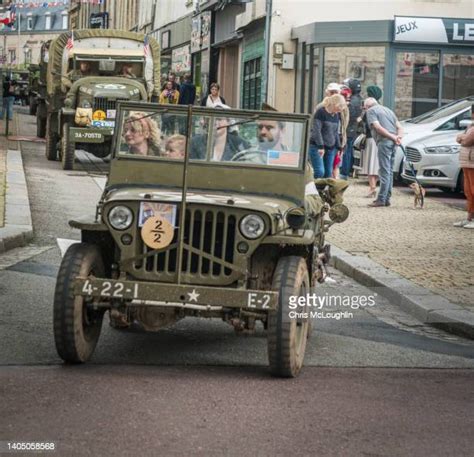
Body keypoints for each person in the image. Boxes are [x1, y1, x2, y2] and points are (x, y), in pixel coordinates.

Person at [364, 97, 403, 208]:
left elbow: (378, 127)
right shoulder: (388, 110)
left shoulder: (371, 111)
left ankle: (381, 199)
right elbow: (400, 127)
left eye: (365, 108)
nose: (365, 110)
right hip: (393, 142)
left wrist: (393, 137)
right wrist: (398, 137)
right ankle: (387, 199)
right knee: (389, 170)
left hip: (385, 142)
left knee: (384, 171)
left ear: (367, 107)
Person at [309, 94, 346, 178]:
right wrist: (320, 146)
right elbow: (316, 130)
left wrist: (339, 147)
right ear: (335, 105)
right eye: (340, 107)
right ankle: (310, 187)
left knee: (328, 173)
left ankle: (322, 190)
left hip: (331, 148)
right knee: (319, 171)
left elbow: (335, 132)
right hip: (317, 146)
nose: (340, 110)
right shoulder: (320, 112)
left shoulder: (336, 115)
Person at [454, 108, 474, 229]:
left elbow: (466, 140)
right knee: (468, 191)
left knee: (472, 190)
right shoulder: (471, 126)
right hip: (466, 162)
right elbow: (459, 138)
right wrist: (462, 137)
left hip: (472, 163)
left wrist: (462, 137)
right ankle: (469, 217)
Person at [361, 85, 382, 197]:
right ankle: (374, 186)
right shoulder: (382, 108)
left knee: (370, 164)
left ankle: (372, 187)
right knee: (377, 163)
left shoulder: (369, 110)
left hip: (370, 138)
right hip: (380, 139)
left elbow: (365, 124)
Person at [340, 78, 363, 180]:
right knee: (348, 150)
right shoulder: (358, 99)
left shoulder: (353, 101)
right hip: (352, 129)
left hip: (349, 129)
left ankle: (344, 172)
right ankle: (347, 171)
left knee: (346, 151)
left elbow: (349, 116)